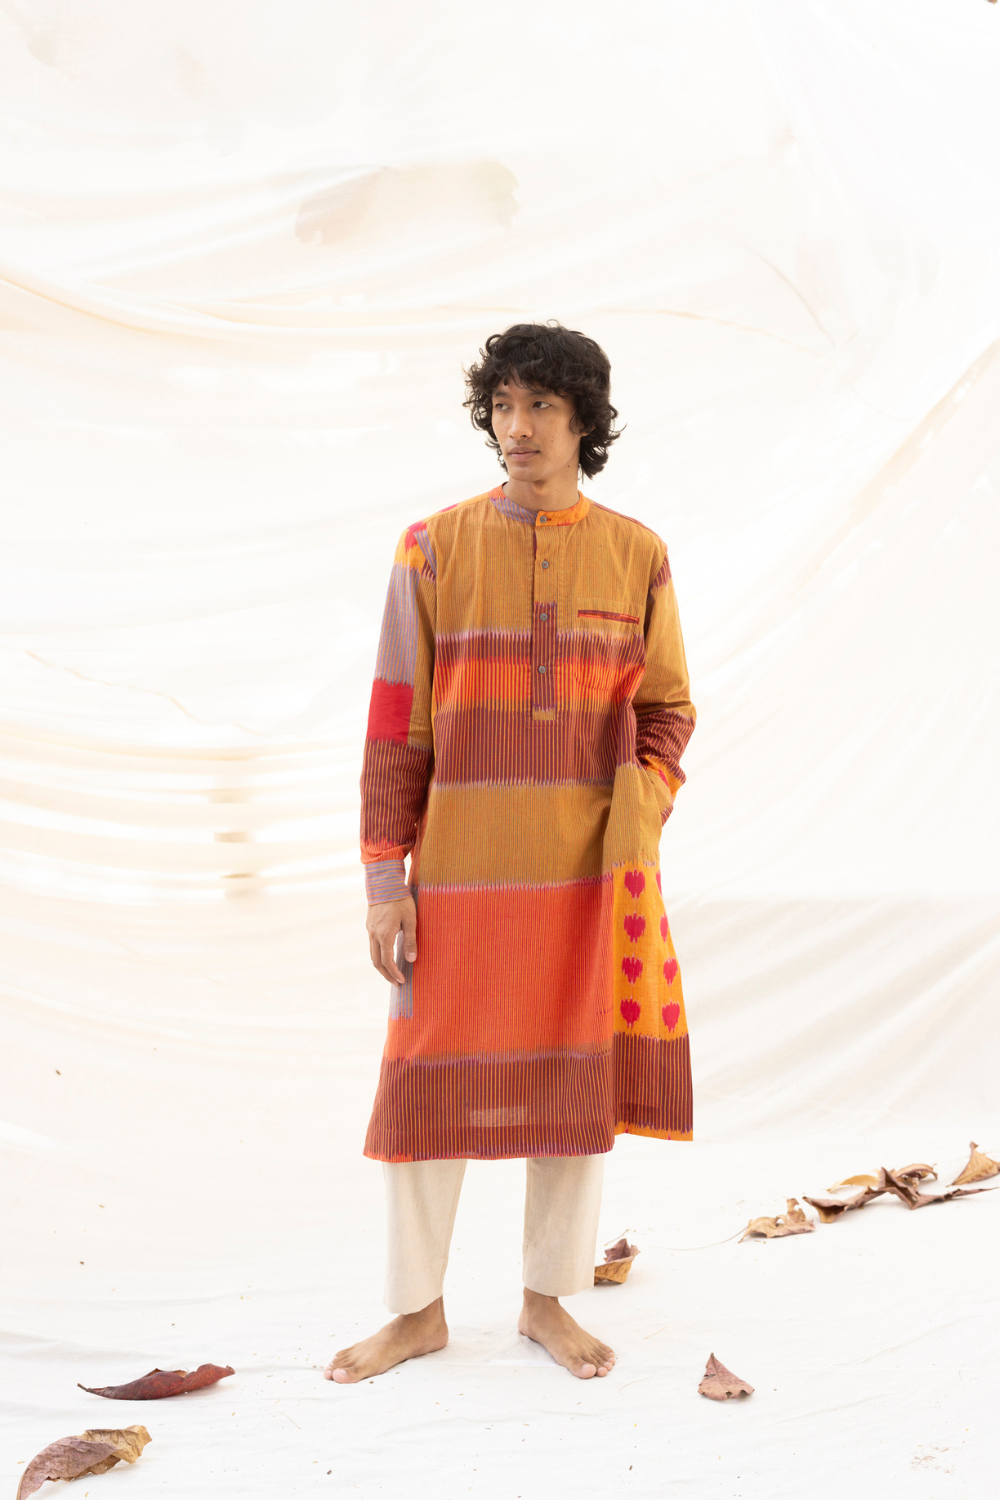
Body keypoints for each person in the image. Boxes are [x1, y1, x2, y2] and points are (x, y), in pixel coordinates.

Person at [325, 322, 696, 1385]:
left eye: (541, 406)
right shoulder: (433, 547)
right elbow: (395, 721)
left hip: (585, 876)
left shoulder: (637, 554)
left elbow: (667, 709)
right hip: (457, 872)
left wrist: (637, 811)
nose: (517, 427)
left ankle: (546, 1300)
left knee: (572, 1080)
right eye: (502, 406)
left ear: (585, 421)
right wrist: (384, 879)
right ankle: (415, 1313)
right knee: (423, 1080)